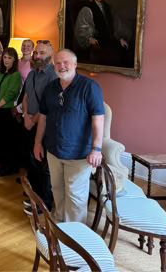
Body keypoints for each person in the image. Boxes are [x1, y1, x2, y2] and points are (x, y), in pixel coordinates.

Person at [34, 49, 104, 224]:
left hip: (78, 153)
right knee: (57, 190)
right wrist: (37, 142)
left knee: (75, 195)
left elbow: (98, 119)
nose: (62, 66)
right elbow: (43, 117)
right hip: (53, 150)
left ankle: (74, 234)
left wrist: (96, 149)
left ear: (75, 64)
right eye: (58, 63)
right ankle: (59, 225)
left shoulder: (89, 86)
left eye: (66, 62)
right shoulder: (51, 88)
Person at [22, 40, 56, 212]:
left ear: (50, 55)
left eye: (42, 53)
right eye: (36, 53)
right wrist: (25, 115)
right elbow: (26, 96)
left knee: (43, 165)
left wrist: (33, 120)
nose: (37, 56)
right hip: (29, 121)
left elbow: (48, 104)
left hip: (43, 124)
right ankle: (34, 196)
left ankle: (45, 203)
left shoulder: (53, 75)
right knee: (31, 162)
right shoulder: (32, 74)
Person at [74, 0, 132, 67]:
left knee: (126, 49)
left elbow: (115, 26)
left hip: (110, 39)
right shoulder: (87, 9)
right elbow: (82, 27)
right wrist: (89, 38)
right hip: (98, 40)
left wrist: (120, 39)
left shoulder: (108, 8)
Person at [0, 47, 22, 177]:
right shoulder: (1, 73)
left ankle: (8, 167)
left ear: (14, 60)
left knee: (7, 141)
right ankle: (3, 165)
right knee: (0, 139)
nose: (6, 60)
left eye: (10, 58)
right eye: (5, 57)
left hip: (7, 111)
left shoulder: (16, 75)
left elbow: (10, 94)